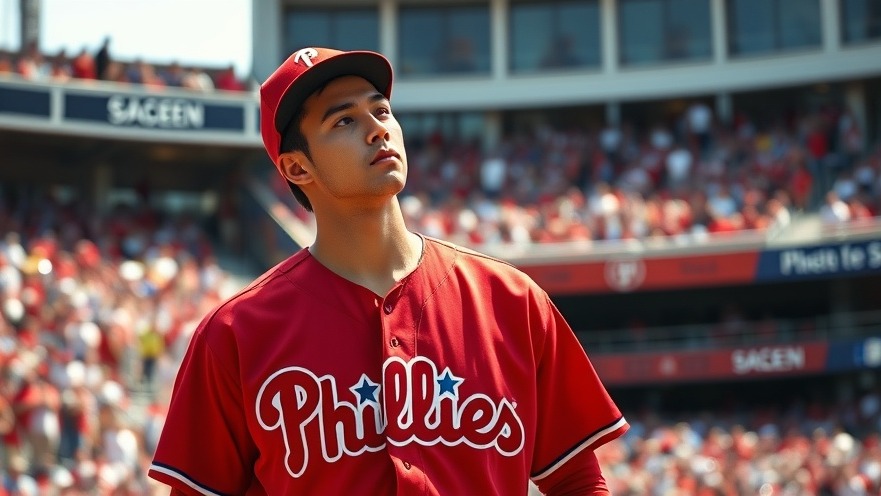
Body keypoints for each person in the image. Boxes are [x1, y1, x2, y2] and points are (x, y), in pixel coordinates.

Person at [147, 46, 628, 495]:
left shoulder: (511, 300)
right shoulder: (235, 333)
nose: (377, 129)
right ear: (296, 168)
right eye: (344, 120)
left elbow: (577, 480)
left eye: (381, 110)